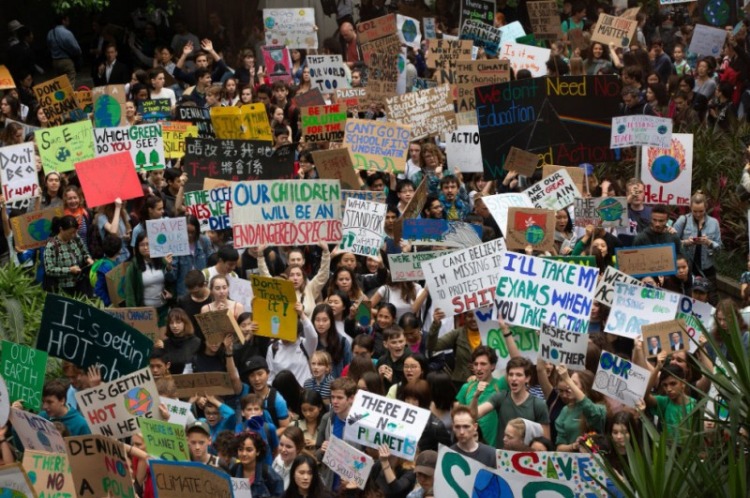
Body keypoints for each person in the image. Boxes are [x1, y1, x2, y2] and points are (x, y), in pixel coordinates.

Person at [471, 357, 550, 448]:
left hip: (528, 458)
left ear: (527, 378)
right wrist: (476, 396)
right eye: (510, 374)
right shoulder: (500, 397)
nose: (513, 378)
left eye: (518, 375)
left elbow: (546, 442)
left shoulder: (538, 404)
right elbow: (473, 416)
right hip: (503, 457)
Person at [455, 346, 505, 447]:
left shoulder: (500, 385)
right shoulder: (466, 387)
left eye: (483, 364)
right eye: (476, 364)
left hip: (493, 449)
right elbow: (458, 416)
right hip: (469, 447)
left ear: (492, 366)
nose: (478, 368)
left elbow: (517, 364)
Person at [125, 233, 177, 328]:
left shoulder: (163, 261)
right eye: (142, 245)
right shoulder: (133, 266)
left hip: (163, 310)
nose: (145, 248)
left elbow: (171, 280)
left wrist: (171, 294)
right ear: (137, 247)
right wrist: (133, 315)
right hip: (145, 314)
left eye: (148, 244)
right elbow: (129, 293)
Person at [44, 215, 94, 295]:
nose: (73, 235)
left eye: (75, 232)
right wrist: (69, 270)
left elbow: (85, 252)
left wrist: (88, 259)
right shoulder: (51, 246)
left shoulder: (76, 238)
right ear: (61, 229)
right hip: (63, 288)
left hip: (80, 284)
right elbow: (49, 270)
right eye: (70, 233)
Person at [230, 431, 284, 498]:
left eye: (249, 450)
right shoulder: (235, 470)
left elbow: (280, 494)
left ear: (258, 451)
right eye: (240, 449)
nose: (244, 454)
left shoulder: (267, 473)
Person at [47, 14, 82, 87]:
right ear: (63, 21)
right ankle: (69, 97)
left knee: (59, 84)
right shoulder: (67, 33)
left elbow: (49, 46)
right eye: (67, 20)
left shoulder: (50, 33)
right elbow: (76, 48)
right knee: (70, 82)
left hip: (55, 61)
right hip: (66, 60)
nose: (69, 22)